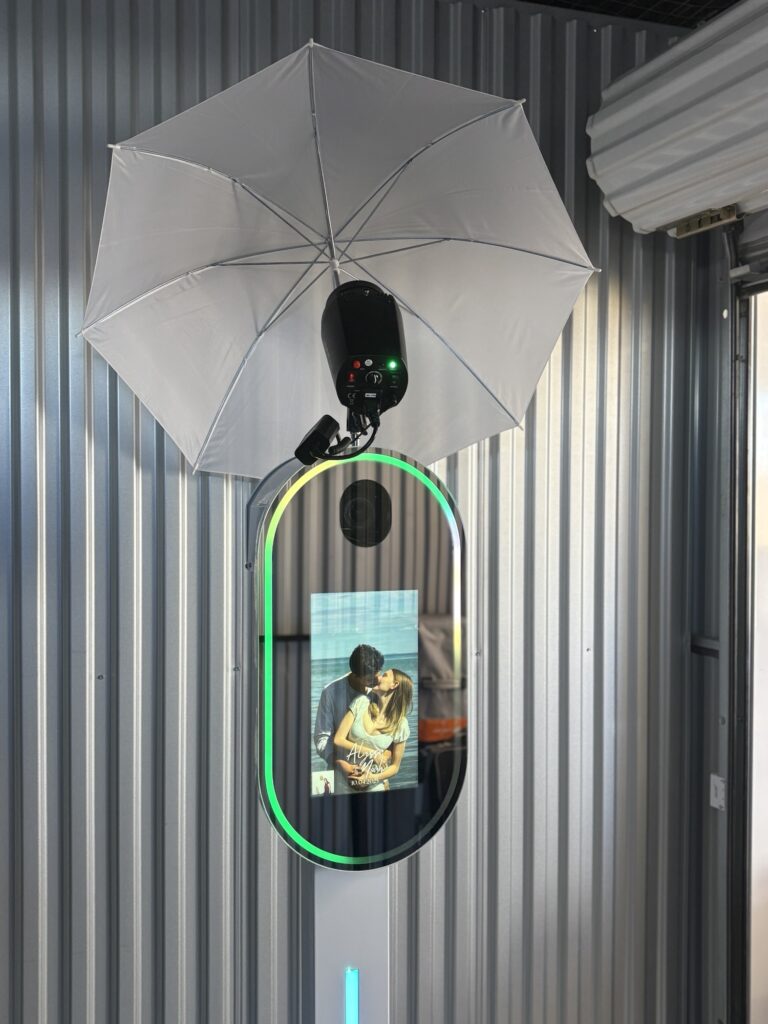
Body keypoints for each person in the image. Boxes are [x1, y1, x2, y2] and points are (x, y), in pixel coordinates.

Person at [333, 669, 414, 793]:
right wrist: (372, 753)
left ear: (394, 685)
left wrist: (371, 778)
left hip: (374, 786)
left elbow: (394, 767)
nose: (377, 678)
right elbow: (338, 740)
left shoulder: (401, 724)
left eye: (384, 675)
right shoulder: (360, 702)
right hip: (344, 783)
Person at [313, 644, 386, 769]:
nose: (377, 680)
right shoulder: (330, 692)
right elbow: (322, 739)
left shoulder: (380, 690)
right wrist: (341, 765)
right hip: (341, 770)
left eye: (378, 673)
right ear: (355, 675)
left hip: (376, 770)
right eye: (370, 679)